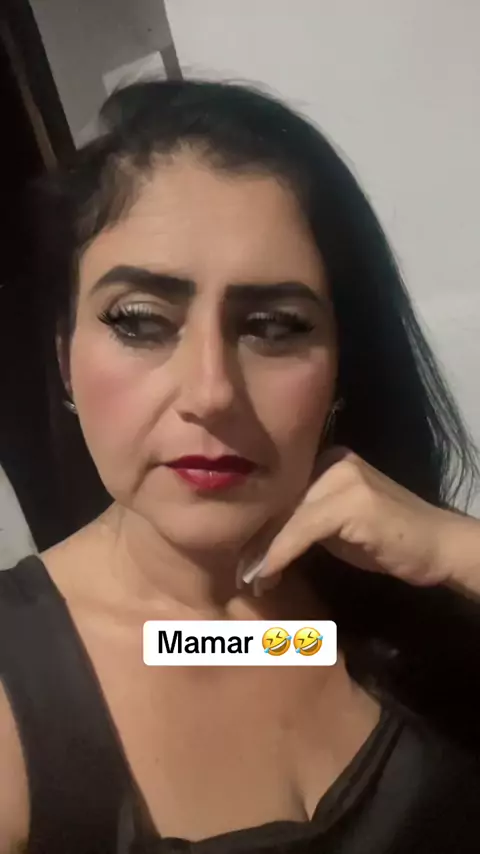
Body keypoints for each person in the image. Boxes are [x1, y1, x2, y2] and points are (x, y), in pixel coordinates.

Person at [1, 79, 480, 854]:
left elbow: (207, 643)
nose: (212, 393)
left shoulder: (346, 598)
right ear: (64, 362)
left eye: (275, 327)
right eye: (141, 321)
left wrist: (456, 550)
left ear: (342, 369)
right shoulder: (19, 686)